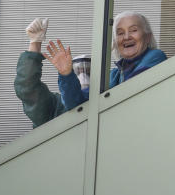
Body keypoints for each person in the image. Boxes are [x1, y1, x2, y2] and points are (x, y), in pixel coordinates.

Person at [13, 12, 166, 125]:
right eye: (120, 33)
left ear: (147, 36)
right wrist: (66, 74)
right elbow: (76, 104)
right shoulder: (112, 76)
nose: (126, 37)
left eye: (133, 30)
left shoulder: (155, 56)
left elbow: (133, 93)